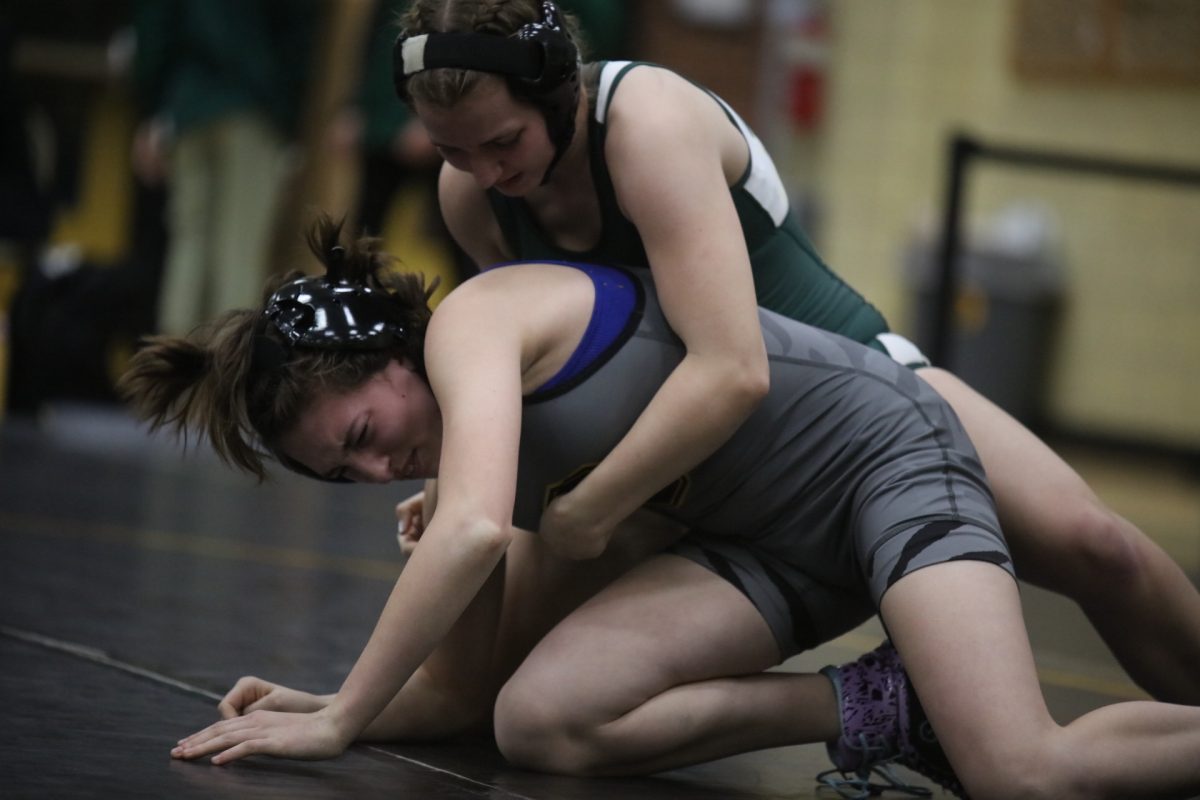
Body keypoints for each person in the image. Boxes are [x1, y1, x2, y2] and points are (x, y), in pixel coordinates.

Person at [119, 218, 1200, 800]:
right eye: (344, 474)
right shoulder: (469, 448)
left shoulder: (474, 330)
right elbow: (458, 690)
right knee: (536, 721)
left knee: (1022, 772)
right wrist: (318, 702)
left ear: (387, 352)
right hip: (767, 543)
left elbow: (473, 535)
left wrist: (348, 715)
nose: (376, 469)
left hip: (882, 461)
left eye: (360, 436)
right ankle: (886, 707)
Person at [391, 0, 1200, 705]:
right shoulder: (472, 198)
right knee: (488, 689)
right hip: (689, 460)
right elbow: (527, 373)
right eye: (456, 151)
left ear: (556, 89)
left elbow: (733, 370)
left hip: (855, 393)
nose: (490, 173)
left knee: (1098, 548)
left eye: (502, 142)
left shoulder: (646, 123)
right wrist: (466, 478)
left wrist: (591, 508)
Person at [130, 0, 315, 335]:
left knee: (187, 247)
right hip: (255, 104)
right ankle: (226, 372)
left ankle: (174, 374)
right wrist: (290, 117)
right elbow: (298, 35)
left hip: (188, 101)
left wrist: (154, 107)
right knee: (239, 251)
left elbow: (155, 25)